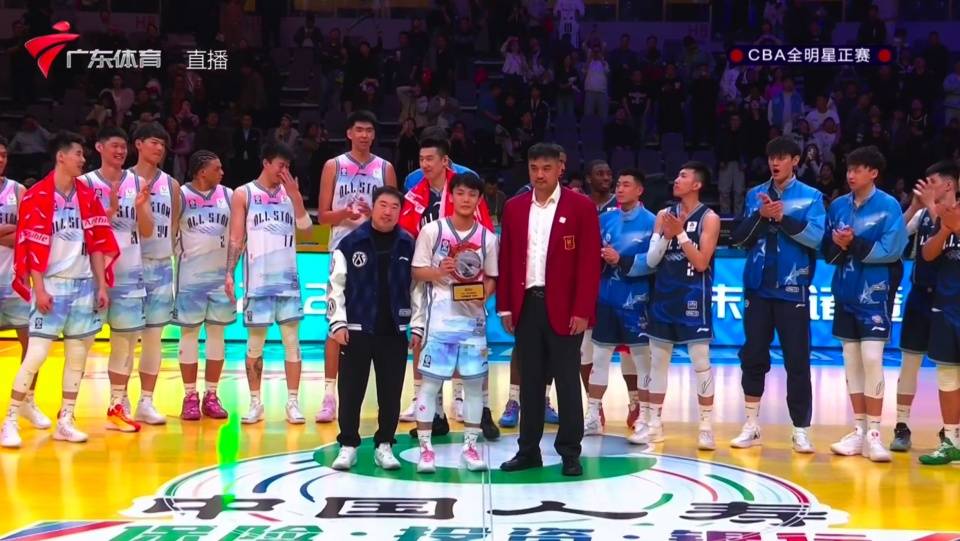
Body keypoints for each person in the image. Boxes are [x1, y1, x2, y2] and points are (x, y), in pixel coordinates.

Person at [0, 131, 119, 448]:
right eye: (78, 153)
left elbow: (98, 244)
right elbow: (30, 246)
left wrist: (101, 284)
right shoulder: (36, 196)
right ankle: (9, 420)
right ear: (61, 156)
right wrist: (38, 289)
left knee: (77, 358)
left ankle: (66, 420)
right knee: (35, 356)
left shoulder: (87, 196)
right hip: (52, 286)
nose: (83, 159)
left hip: (83, 286)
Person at [497, 143, 601, 477]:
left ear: (560, 168)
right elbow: (507, 258)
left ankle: (570, 452)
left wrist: (582, 310)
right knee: (530, 382)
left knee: (567, 381)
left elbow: (589, 263)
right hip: (526, 304)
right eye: (534, 168)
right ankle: (528, 451)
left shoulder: (581, 207)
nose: (539, 175)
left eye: (546, 168)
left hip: (566, 309)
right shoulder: (514, 207)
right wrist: (505, 307)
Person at [729, 136, 826, 453]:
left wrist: (783, 217)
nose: (775, 162)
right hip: (757, 288)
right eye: (772, 156)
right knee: (753, 356)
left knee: (797, 361)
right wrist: (761, 215)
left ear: (795, 161)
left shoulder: (811, 197)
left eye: (782, 157)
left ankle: (800, 430)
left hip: (792, 290)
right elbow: (738, 238)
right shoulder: (754, 195)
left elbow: (817, 239)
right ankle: (751, 424)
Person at [397, 136, 497, 440]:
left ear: (445, 161)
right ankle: (436, 414)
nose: (425, 165)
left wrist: (482, 287)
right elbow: (406, 235)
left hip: (468, 284)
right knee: (428, 342)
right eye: (421, 159)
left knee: (473, 349)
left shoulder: (465, 190)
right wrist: (424, 270)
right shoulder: (415, 194)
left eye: (430, 159)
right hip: (431, 284)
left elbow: (484, 236)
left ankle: (482, 409)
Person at [822, 145, 908, 463]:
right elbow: (827, 251)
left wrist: (853, 242)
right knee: (851, 360)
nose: (851, 175)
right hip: (845, 292)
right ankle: (858, 430)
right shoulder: (838, 206)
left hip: (874, 295)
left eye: (858, 169)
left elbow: (892, 250)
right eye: (849, 169)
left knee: (872, 358)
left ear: (873, 173)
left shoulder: (889, 206)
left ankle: (874, 434)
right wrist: (836, 244)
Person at [412, 173, 498, 472]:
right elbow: (417, 271)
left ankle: (470, 447)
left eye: (472, 194)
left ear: (479, 199)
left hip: (473, 325)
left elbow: (492, 277)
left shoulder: (488, 238)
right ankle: (425, 450)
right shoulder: (432, 231)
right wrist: (439, 271)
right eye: (460, 193)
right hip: (440, 322)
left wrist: (483, 294)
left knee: (474, 387)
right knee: (430, 385)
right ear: (451, 196)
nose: (466, 199)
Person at [316, 110, 398, 423]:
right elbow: (323, 216)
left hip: (379, 252)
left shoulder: (385, 167)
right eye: (359, 130)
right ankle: (328, 396)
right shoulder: (334, 165)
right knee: (336, 322)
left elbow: (394, 212)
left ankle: (384, 398)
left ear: (374, 135)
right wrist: (345, 214)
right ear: (349, 133)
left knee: (381, 322)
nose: (364, 135)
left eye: (369, 130)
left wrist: (373, 215)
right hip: (342, 250)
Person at [328, 186, 415, 471]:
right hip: (356, 329)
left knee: (391, 392)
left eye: (394, 207)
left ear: (400, 212)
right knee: (351, 390)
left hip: (394, 331)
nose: (388, 212)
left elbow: (417, 289)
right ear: (373, 207)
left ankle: (385, 445)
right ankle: (348, 445)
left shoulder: (408, 244)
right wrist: (337, 323)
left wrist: (417, 326)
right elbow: (335, 286)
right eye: (383, 205)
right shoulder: (349, 243)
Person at [227, 141, 313, 425]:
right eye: (280, 165)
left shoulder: (290, 194)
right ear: (266, 163)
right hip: (258, 284)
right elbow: (236, 238)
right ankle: (255, 403)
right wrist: (229, 273)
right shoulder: (244, 193)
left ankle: (293, 402)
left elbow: (307, 230)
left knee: (292, 343)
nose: (284, 171)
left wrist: (296, 197)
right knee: (255, 345)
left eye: (288, 167)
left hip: (288, 283)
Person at [80, 127, 154, 432]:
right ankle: (68, 409)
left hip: (130, 273)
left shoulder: (138, 183)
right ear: (99, 147)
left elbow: (147, 230)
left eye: (123, 147)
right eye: (114, 146)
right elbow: (81, 229)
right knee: (80, 344)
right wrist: (108, 213)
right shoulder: (85, 183)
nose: (120, 151)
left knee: (124, 344)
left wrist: (140, 207)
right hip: (93, 275)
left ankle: (117, 405)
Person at [643, 162, 720, 450]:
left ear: (696, 185)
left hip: (693, 298)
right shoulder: (663, 215)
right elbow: (651, 260)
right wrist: (665, 235)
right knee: (658, 363)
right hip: (663, 298)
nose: (676, 180)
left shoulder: (709, 218)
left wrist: (680, 234)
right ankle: (654, 424)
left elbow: (701, 262)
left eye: (683, 176)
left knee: (701, 362)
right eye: (677, 175)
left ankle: (706, 427)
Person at [583, 169, 656, 439]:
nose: (620, 189)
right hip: (606, 299)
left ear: (639, 190)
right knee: (599, 358)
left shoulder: (652, 221)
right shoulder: (604, 220)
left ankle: (644, 417)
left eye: (626, 185)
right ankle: (593, 415)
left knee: (642, 361)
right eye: (618, 185)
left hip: (637, 303)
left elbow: (654, 262)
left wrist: (620, 260)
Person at [119, 124, 181, 426]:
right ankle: (119, 400)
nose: (159, 148)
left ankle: (146, 400)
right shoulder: (122, 180)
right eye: (154, 142)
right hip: (130, 265)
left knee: (154, 338)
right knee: (126, 337)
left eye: (163, 145)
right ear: (138, 144)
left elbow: (175, 225)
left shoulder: (171, 185)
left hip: (161, 265)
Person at [895, 162, 956, 452]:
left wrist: (932, 206)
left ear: (948, 185)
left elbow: (946, 235)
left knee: (951, 368)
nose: (925, 186)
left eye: (931, 181)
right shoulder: (921, 215)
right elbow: (894, 237)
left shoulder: (956, 214)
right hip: (920, 295)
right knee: (909, 361)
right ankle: (901, 425)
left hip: (950, 301)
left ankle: (951, 430)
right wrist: (912, 207)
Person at [173, 151, 234, 420]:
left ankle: (211, 395)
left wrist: (231, 270)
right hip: (190, 279)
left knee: (217, 336)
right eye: (217, 168)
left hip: (220, 279)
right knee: (189, 335)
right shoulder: (181, 195)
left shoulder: (229, 195)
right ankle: (189, 396)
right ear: (201, 172)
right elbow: (171, 233)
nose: (222, 172)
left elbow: (237, 235)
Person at [917, 172, 960, 465]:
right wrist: (945, 229)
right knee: (946, 375)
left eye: (933, 181)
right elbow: (928, 254)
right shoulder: (942, 217)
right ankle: (952, 441)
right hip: (945, 306)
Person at [0, 137, 36, 427]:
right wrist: (10, 230)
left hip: (16, 279)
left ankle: (28, 401)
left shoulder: (17, 190)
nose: (0, 160)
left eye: (3, 155)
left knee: (32, 344)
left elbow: (27, 232)